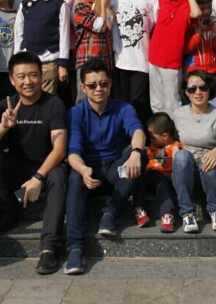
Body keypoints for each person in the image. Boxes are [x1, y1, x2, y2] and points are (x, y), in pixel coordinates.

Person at [0, 52, 68, 273]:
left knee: (58, 174)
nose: (28, 81)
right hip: (17, 167)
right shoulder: (6, 105)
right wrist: (3, 127)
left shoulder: (54, 104)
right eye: (21, 76)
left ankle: (49, 247)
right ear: (12, 79)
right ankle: (6, 213)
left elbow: (59, 149)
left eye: (33, 75)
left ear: (41, 76)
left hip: (46, 167)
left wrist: (38, 177)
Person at [64, 59, 148, 275]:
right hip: (88, 174)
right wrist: (83, 170)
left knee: (138, 155)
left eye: (103, 84)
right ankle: (75, 247)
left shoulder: (123, 108)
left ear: (110, 84)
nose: (99, 89)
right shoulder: (76, 113)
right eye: (92, 85)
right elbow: (72, 152)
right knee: (74, 177)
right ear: (83, 88)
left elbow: (137, 131)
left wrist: (136, 153)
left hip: (115, 173)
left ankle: (111, 211)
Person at [171, 70, 216, 233]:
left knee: (209, 161)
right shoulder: (178, 114)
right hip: (186, 168)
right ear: (186, 92)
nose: (198, 92)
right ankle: (187, 214)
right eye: (192, 88)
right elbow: (170, 140)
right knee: (182, 156)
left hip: (212, 169)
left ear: (209, 90)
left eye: (203, 87)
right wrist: (174, 146)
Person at [147, 0, 202, 115]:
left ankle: (176, 130)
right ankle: (159, 130)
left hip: (171, 62)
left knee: (172, 103)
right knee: (156, 103)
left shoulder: (187, 4)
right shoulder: (162, 0)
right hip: (153, 58)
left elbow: (197, 14)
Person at [109, 0, 158, 123]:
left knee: (139, 101)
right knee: (122, 102)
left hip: (142, 62)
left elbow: (157, 30)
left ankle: (141, 134)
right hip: (120, 60)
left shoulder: (152, 0)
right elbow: (106, 21)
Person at [13, 0, 70, 94]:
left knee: (47, 96)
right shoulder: (25, 3)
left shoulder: (59, 4)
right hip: (28, 60)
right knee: (27, 94)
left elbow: (64, 35)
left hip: (50, 60)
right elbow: (18, 32)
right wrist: (16, 58)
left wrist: (62, 64)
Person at [132, 113, 182, 233]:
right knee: (140, 178)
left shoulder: (175, 146)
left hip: (165, 179)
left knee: (163, 187)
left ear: (165, 136)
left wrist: (176, 152)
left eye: (153, 137)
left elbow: (177, 150)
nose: (151, 140)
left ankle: (167, 214)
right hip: (150, 177)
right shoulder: (153, 147)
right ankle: (139, 209)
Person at [183, 0, 216, 110]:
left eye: (209, 7)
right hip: (192, 73)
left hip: (211, 73)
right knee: (192, 109)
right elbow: (185, 50)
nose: (206, 11)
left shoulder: (215, 24)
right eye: (202, 8)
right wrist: (198, 35)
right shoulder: (188, 25)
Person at [70, 0, 113, 80]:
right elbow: (99, 26)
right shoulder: (80, 6)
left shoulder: (96, 0)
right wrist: (103, 6)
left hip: (103, 57)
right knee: (87, 88)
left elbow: (110, 22)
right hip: (87, 58)